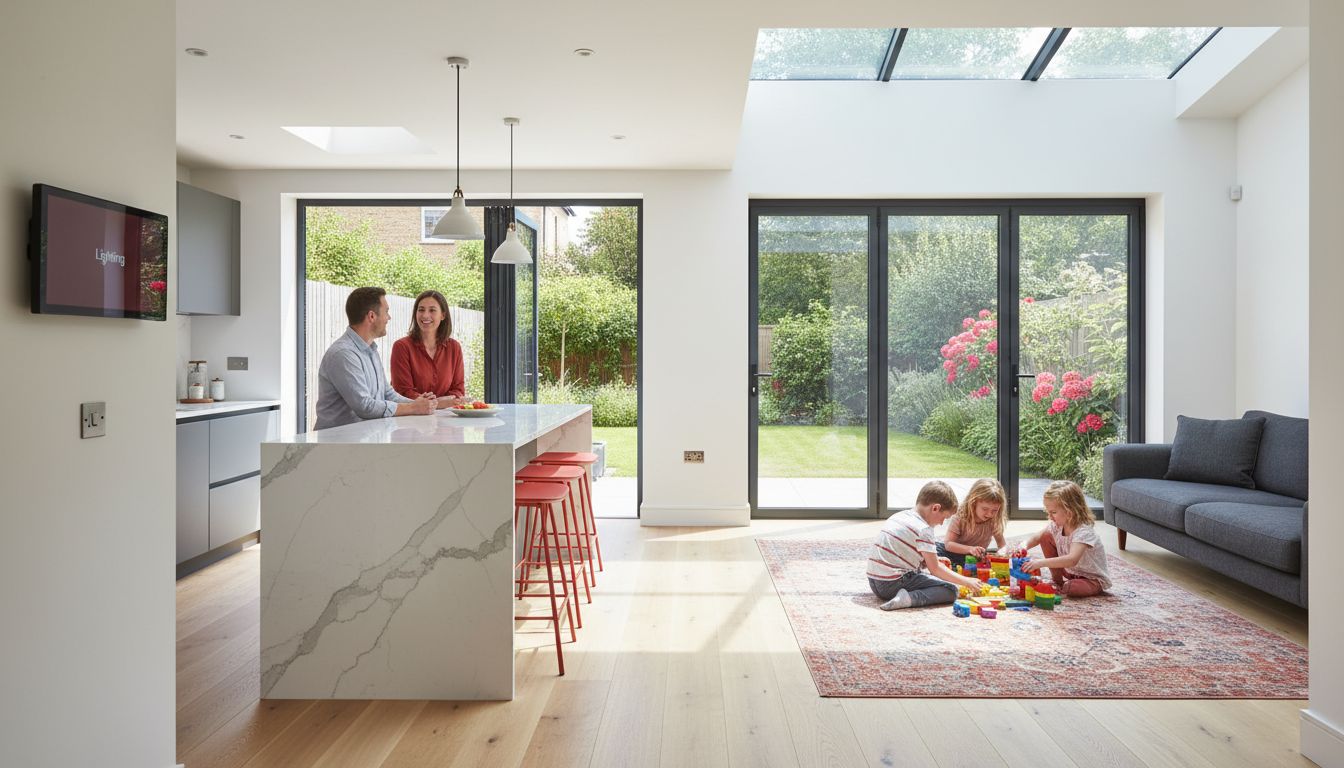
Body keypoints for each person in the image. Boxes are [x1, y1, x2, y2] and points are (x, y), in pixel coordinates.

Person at [314, 286, 436, 430]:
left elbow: (387, 393)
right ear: (372, 316)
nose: (388, 318)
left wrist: (420, 403)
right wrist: (413, 408)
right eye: (386, 312)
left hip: (362, 439)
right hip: (335, 444)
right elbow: (365, 406)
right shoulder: (343, 354)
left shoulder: (371, 350)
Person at [866, 480, 984, 610]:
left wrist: (932, 560)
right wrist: (967, 581)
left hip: (875, 582)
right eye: (944, 518)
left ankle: (903, 595)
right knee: (950, 589)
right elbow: (935, 569)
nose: (941, 523)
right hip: (892, 585)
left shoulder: (899, 516)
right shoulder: (924, 529)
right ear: (935, 508)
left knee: (931, 575)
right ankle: (909, 598)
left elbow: (902, 552)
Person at [1016, 480, 1112, 597]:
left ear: (1069, 511)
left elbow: (1072, 559)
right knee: (1045, 536)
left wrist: (1040, 563)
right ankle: (1057, 581)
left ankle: (1078, 586)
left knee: (1072, 588)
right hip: (1070, 572)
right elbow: (1037, 537)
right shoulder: (1057, 525)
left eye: (1053, 512)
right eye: (1048, 511)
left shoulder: (1084, 532)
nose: (1049, 516)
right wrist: (1022, 546)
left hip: (1091, 578)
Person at [389, 289, 466, 408]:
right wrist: (440, 403)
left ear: (443, 315)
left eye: (432, 310)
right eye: (421, 310)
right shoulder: (402, 347)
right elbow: (402, 393)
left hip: (447, 420)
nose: (425, 315)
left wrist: (435, 403)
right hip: (412, 419)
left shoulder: (454, 347)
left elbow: (458, 390)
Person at [936, 478, 1008, 564]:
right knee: (935, 548)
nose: (989, 514)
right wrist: (970, 549)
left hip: (974, 558)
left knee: (987, 560)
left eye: (995, 510)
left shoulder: (993, 520)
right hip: (953, 553)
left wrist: (1002, 556)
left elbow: (1002, 545)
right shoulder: (960, 516)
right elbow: (948, 544)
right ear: (974, 502)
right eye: (985, 509)